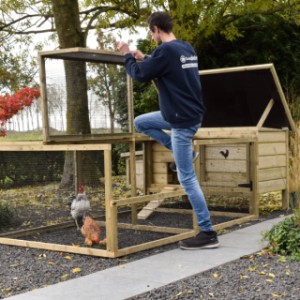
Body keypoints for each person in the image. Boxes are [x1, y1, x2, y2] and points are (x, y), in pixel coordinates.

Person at [117, 11, 219, 250]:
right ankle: (181, 150)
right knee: (141, 122)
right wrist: (146, 56)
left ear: (156, 29)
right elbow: (166, 65)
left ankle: (207, 232)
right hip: (186, 113)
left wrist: (127, 56)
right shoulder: (185, 48)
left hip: (181, 120)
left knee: (187, 178)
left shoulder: (165, 51)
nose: (151, 35)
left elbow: (139, 75)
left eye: (150, 32)